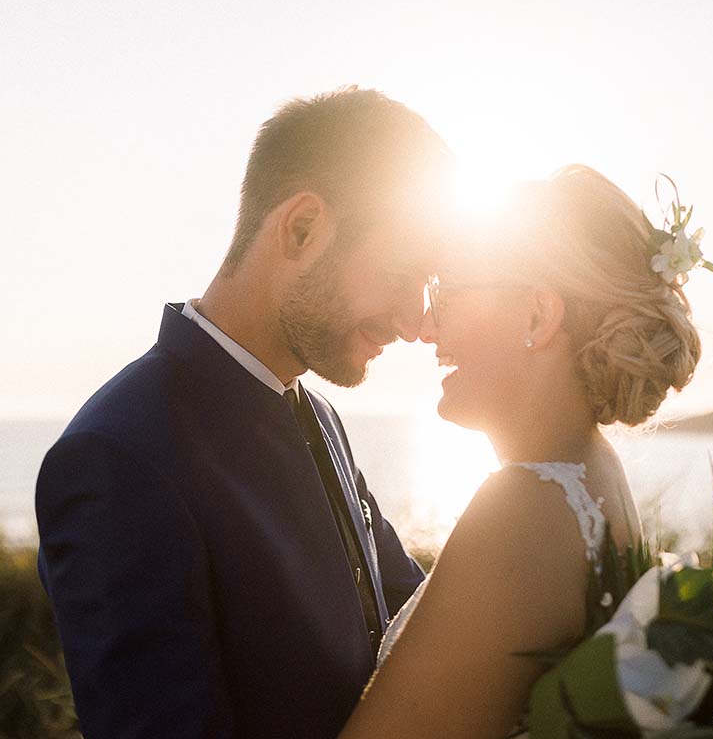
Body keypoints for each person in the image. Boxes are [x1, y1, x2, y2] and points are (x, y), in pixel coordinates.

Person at [35, 87, 455, 738]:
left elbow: (414, 622)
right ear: (301, 229)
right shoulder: (117, 460)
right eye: (402, 273)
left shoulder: (319, 417)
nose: (414, 320)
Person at [338, 165, 704, 738]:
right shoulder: (594, 472)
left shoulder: (521, 509)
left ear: (537, 313)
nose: (426, 326)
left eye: (448, 292)